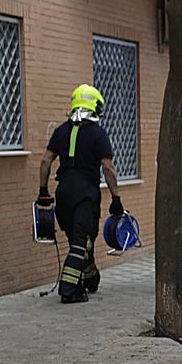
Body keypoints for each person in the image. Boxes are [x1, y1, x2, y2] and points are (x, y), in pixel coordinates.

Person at [36, 84, 124, 304]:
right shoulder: (98, 133)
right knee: (80, 243)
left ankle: (91, 278)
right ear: (95, 106)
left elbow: (46, 161)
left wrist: (43, 191)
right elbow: (108, 168)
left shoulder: (60, 131)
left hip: (64, 193)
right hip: (86, 194)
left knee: (81, 241)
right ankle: (68, 289)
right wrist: (116, 198)